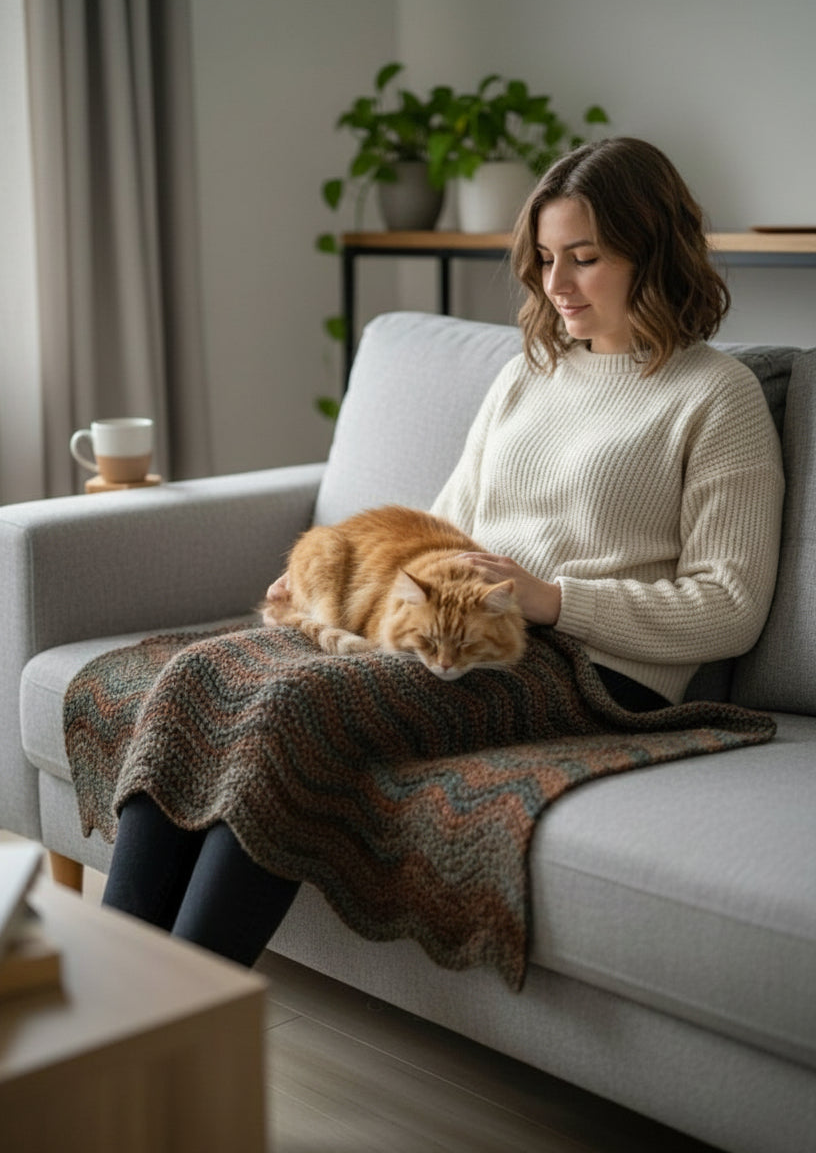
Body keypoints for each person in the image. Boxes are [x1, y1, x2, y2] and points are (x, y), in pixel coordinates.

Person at [102, 136, 784, 966]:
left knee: (299, 708)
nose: (555, 285)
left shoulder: (718, 396)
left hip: (593, 673)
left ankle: (179, 1017)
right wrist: (339, 573)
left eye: (585, 258)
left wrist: (552, 599)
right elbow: (446, 526)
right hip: (473, 630)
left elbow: (731, 608)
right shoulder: (529, 375)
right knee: (200, 672)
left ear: (656, 253)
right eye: (543, 258)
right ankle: (121, 990)